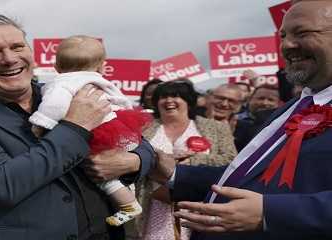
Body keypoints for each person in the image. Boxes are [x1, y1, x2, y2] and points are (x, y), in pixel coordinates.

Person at [0, 14, 155, 240]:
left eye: (17, 47)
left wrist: (132, 161)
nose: (9, 58)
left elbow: (138, 142)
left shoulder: (67, 92)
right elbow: (4, 185)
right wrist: (75, 127)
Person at [151, 1, 332, 239]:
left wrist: (271, 213)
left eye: (303, 33)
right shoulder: (295, 107)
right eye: (283, 36)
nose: (287, 45)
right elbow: (250, 174)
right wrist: (175, 172)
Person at [29, 35, 151, 227]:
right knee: (114, 166)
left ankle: (128, 205)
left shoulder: (61, 83)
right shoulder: (101, 80)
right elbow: (122, 102)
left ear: (56, 67)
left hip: (95, 131)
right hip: (119, 127)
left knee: (100, 173)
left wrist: (40, 124)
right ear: (102, 66)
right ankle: (129, 194)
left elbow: (54, 106)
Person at [138, 80, 237, 240]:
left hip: (198, 204)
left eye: (176, 96)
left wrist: (190, 162)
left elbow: (230, 160)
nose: (169, 100)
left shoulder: (216, 128)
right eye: (163, 97)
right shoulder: (143, 128)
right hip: (153, 203)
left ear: (188, 102)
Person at [234, 85, 281, 151]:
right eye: (261, 98)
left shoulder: (280, 124)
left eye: (271, 100)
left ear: (278, 103)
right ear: (249, 99)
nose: (264, 103)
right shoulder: (234, 120)